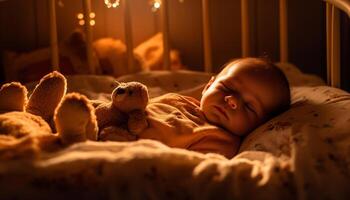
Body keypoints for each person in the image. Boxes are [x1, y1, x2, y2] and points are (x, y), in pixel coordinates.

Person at [127, 57, 291, 158]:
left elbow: (181, 168)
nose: (232, 100)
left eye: (249, 107)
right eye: (226, 88)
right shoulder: (178, 100)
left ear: (259, 126)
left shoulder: (221, 143)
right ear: (208, 86)